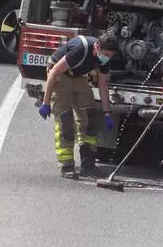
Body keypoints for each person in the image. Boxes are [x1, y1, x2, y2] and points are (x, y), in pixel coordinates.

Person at [38, 33, 118, 178]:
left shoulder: (104, 59)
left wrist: (106, 113)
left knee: (91, 117)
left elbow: (103, 85)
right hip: (60, 76)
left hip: (77, 77)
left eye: (110, 56)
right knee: (66, 121)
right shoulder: (80, 50)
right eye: (106, 55)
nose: (107, 58)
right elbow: (54, 72)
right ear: (97, 47)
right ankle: (67, 165)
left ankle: (88, 163)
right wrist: (46, 102)